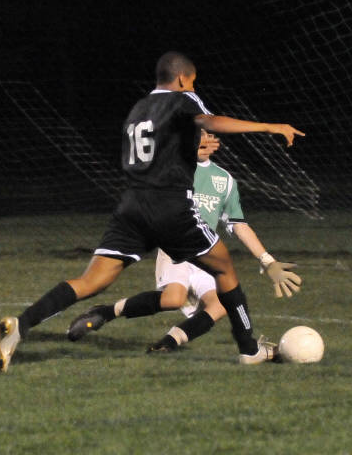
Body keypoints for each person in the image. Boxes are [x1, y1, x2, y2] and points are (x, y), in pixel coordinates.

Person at [0, 51, 305, 372]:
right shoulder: (183, 99)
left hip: (131, 207)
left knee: (91, 281)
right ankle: (249, 350)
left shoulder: (139, 109)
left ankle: (22, 324)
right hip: (170, 205)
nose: (194, 89)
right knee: (224, 269)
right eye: (192, 82)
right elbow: (209, 121)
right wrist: (268, 126)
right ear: (182, 78)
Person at [66, 131, 302, 354]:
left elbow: (239, 224)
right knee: (173, 299)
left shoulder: (224, 179)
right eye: (197, 135)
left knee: (220, 304)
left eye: (207, 135)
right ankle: (106, 312)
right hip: (175, 249)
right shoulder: (174, 170)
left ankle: (169, 342)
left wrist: (267, 260)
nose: (203, 139)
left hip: (206, 254)